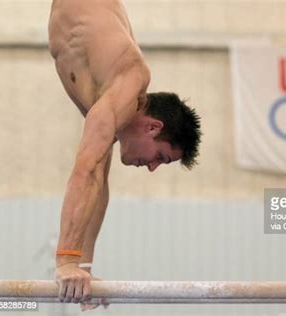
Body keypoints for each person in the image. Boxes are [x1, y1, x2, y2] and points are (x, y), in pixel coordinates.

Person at [48, 0, 201, 310]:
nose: (153, 168)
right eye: (162, 156)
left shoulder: (107, 102)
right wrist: (65, 262)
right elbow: (86, 172)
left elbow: (97, 184)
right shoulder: (128, 81)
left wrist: (83, 269)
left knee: (98, 169)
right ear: (153, 127)